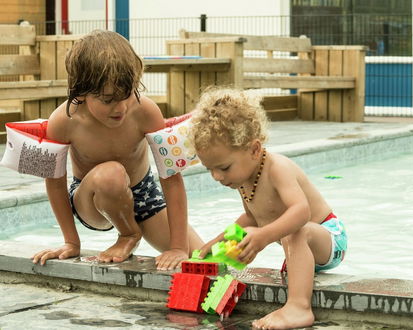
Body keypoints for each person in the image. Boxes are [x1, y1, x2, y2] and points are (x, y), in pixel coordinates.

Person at [31, 30, 203, 270]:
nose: (120, 108)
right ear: (81, 91)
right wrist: (71, 241)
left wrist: (178, 247)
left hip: (143, 193)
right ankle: (128, 234)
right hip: (92, 199)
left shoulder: (146, 111)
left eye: (127, 95)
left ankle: (138, 231)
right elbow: (54, 182)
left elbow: (172, 178)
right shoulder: (63, 121)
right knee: (111, 174)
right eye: (108, 99)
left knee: (204, 261)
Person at [188, 88, 347, 329]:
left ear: (253, 149)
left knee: (294, 230)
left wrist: (263, 236)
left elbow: (301, 212)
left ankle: (299, 308)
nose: (217, 177)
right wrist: (214, 244)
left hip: (329, 237)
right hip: (298, 247)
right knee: (289, 235)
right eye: (209, 169)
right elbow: (252, 217)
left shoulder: (277, 168)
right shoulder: (243, 179)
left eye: (224, 167)